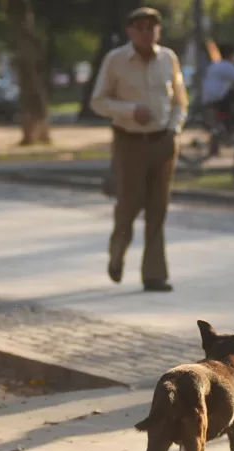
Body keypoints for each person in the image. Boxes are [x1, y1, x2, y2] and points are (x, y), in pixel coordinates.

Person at [90, 6, 188, 293]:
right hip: (129, 142)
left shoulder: (168, 59)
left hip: (163, 141)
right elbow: (98, 101)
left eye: (153, 27)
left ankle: (154, 274)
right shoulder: (116, 60)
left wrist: (174, 128)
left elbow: (181, 101)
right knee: (129, 206)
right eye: (141, 27)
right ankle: (117, 253)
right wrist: (130, 110)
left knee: (159, 208)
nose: (147, 33)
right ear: (131, 31)